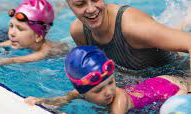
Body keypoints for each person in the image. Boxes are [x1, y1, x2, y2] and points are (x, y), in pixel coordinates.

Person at [61, 0, 191, 71]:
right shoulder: (79, 32)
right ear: (69, 5)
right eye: (80, 4)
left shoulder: (132, 27)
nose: (90, 9)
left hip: (176, 72)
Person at [25, 46, 188, 114]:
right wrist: (44, 101)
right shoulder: (82, 91)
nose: (108, 92)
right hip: (156, 83)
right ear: (84, 90)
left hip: (174, 89)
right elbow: (67, 96)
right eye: (98, 90)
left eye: (110, 82)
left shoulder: (119, 101)